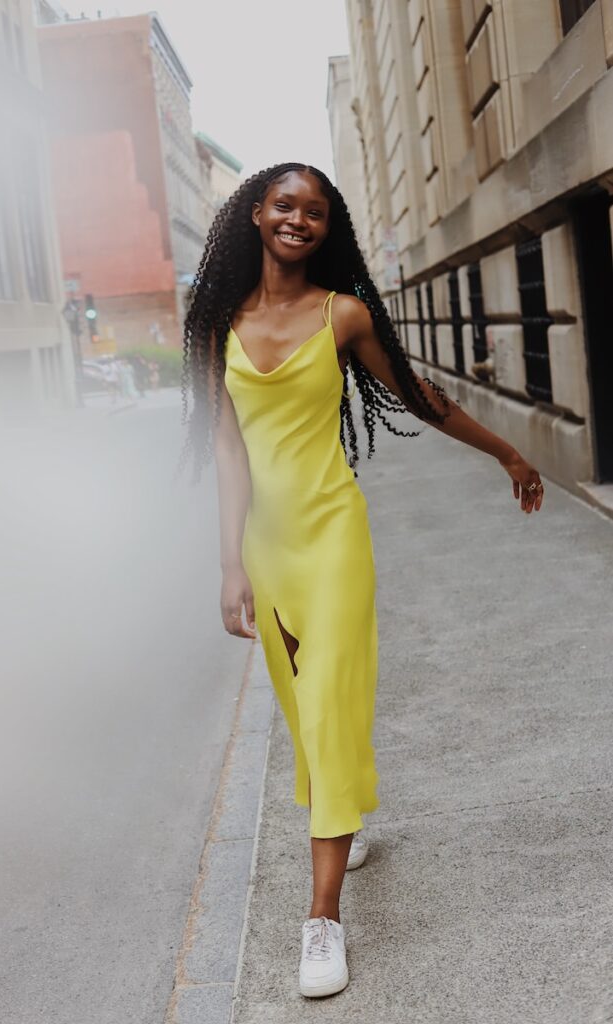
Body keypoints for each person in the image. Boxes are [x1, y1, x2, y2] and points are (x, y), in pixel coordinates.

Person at [179, 162, 544, 999]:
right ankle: (338, 811)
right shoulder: (215, 326)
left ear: (326, 227)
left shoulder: (341, 314)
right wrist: (229, 563)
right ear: (255, 213)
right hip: (266, 548)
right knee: (301, 710)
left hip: (332, 536)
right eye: (284, 205)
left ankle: (322, 920)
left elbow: (416, 395)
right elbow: (228, 450)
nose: (297, 220)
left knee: (330, 704)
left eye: (314, 211)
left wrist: (508, 453)